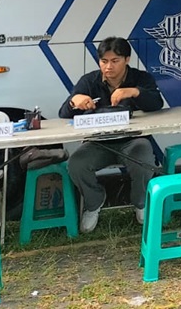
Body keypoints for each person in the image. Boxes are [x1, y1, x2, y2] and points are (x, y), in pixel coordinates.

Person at [59, 36, 164, 232]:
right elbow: (63, 113)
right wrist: (75, 101)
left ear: (127, 59)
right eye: (104, 61)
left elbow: (157, 104)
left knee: (144, 159)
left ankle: (141, 203)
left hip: (133, 141)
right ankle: (93, 203)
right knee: (76, 164)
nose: (108, 67)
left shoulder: (141, 78)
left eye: (115, 61)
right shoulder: (89, 81)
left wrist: (134, 92)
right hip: (99, 143)